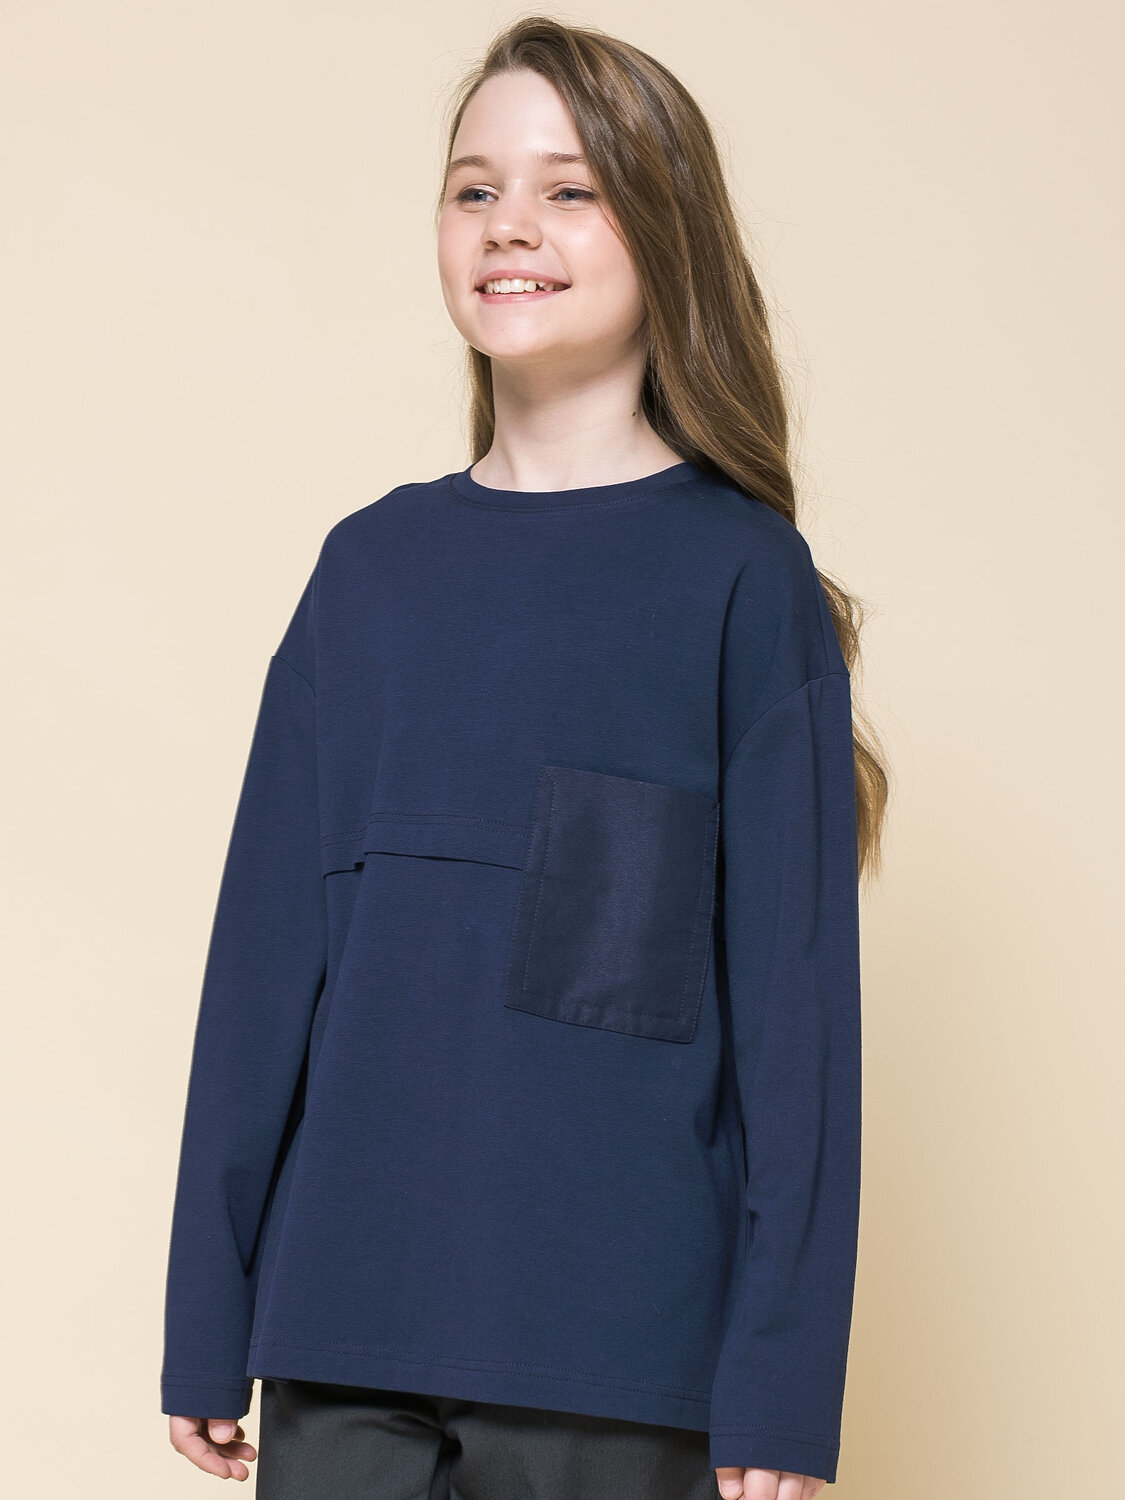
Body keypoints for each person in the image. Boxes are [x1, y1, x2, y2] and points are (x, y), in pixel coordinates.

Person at [161, 15, 888, 1499]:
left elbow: (797, 1025)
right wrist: (205, 1315)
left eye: (570, 189)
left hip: (617, 1356)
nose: (510, 225)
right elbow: (262, 967)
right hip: (341, 1333)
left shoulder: (738, 580)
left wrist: (781, 1380)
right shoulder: (366, 570)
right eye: (474, 188)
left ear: (664, 235)